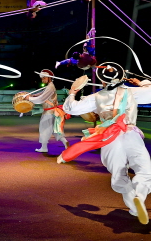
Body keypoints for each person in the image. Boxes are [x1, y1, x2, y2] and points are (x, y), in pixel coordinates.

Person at [59, 62, 151, 225]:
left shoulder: (96, 97)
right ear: (121, 76)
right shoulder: (133, 92)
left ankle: (135, 206)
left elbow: (71, 109)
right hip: (131, 134)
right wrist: (142, 83)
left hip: (109, 138)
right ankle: (139, 195)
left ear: (102, 81)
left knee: (119, 176)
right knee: (145, 171)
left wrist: (73, 91)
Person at [25, 69, 70, 153]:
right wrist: (33, 95)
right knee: (55, 129)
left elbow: (42, 98)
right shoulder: (50, 86)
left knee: (44, 129)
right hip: (53, 112)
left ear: (48, 78)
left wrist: (29, 98)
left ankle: (44, 147)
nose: (42, 80)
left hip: (49, 112)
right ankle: (65, 142)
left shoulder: (50, 87)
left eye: (43, 78)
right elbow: (42, 93)